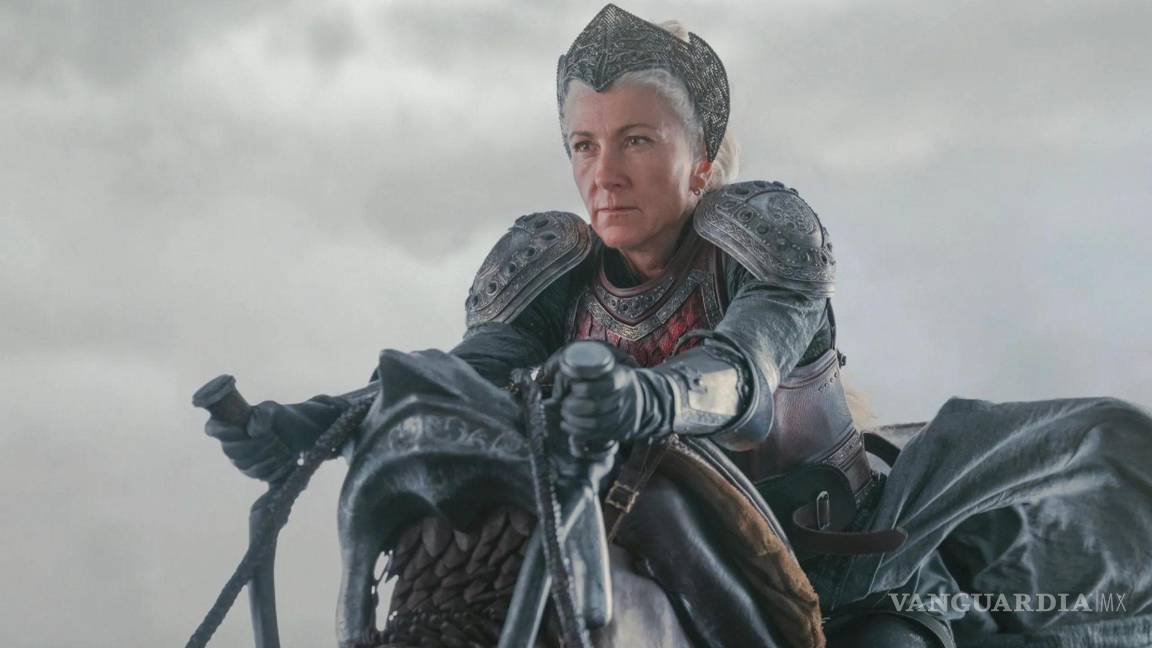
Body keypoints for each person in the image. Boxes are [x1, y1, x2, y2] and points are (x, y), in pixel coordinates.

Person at [206, 5, 1152, 647]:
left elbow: (741, 372)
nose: (603, 173)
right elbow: (471, 374)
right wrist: (312, 425)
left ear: (699, 162)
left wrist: (645, 399)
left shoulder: (763, 237)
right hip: (647, 547)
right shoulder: (550, 268)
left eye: (637, 140)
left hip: (841, 564)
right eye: (584, 144)